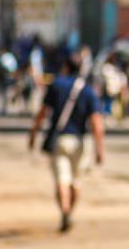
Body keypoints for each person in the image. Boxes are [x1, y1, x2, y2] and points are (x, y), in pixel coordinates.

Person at [27, 52, 106, 232]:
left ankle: (64, 210)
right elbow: (96, 123)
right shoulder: (88, 91)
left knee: (62, 180)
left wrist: (33, 134)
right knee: (75, 182)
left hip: (61, 139)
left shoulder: (57, 85)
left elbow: (42, 112)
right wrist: (100, 149)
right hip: (81, 142)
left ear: (65, 67)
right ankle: (70, 211)